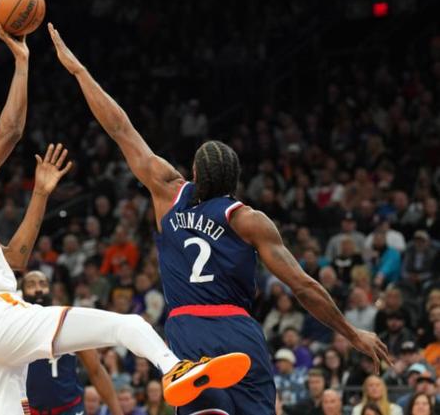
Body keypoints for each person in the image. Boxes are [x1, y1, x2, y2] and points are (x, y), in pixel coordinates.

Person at [47, 22, 390, 415]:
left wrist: (79, 71)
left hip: (188, 330)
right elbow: (304, 286)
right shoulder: (248, 220)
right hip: (238, 330)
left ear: (194, 172)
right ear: (235, 180)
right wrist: (351, 333)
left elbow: (120, 128)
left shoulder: (168, 193)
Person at [0, 21, 246, 415]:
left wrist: (40, 193)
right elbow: (10, 133)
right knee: (127, 326)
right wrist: (21, 61)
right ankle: (174, 368)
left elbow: (15, 259)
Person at [21, 271, 122, 415]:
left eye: (43, 284)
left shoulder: (69, 321)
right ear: (22, 293)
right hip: (30, 410)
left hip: (69, 409)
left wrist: (117, 412)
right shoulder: (14, 326)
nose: (38, 289)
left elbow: (96, 371)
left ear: (51, 290)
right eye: (31, 285)